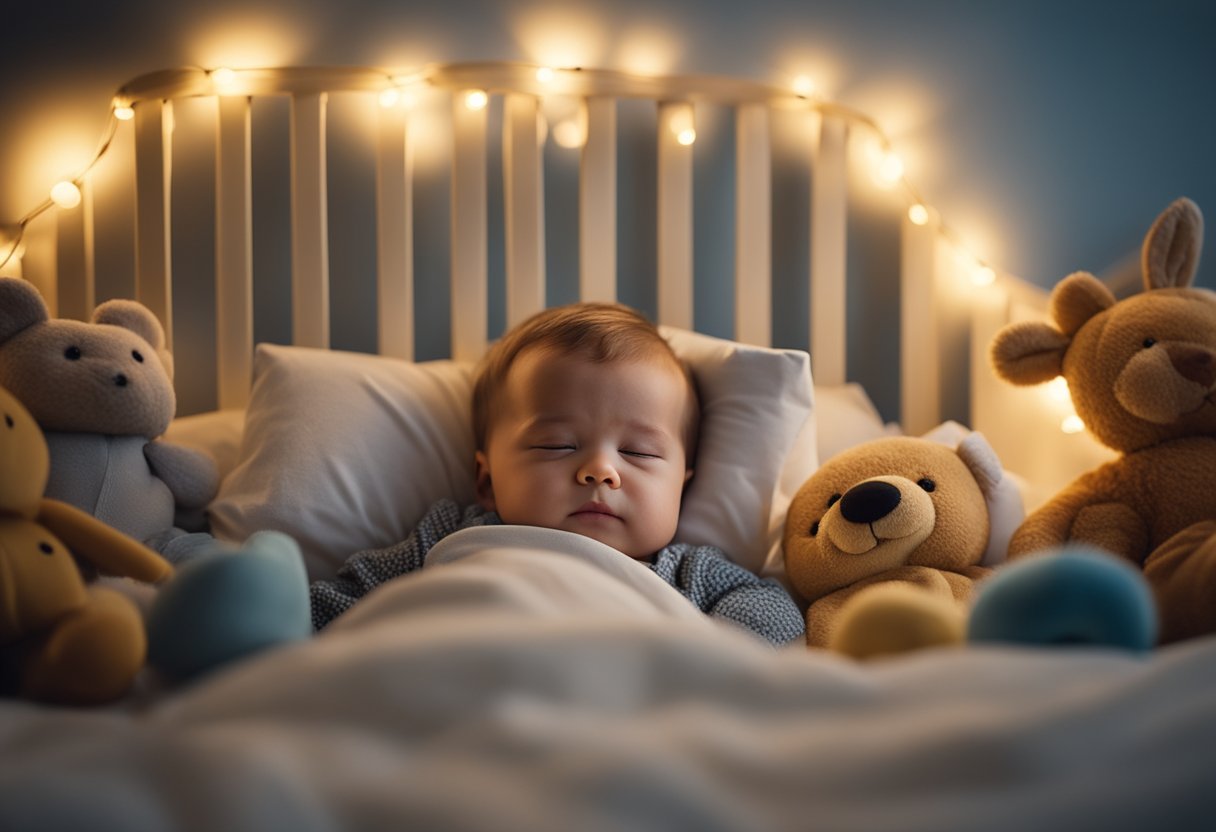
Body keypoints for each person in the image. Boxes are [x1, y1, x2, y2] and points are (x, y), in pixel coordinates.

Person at [310, 302, 805, 646]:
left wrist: (721, 653)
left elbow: (773, 609)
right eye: (557, 445)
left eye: (638, 452)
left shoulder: (687, 571)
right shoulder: (449, 535)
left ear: (683, 486)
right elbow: (343, 603)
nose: (600, 470)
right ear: (486, 481)